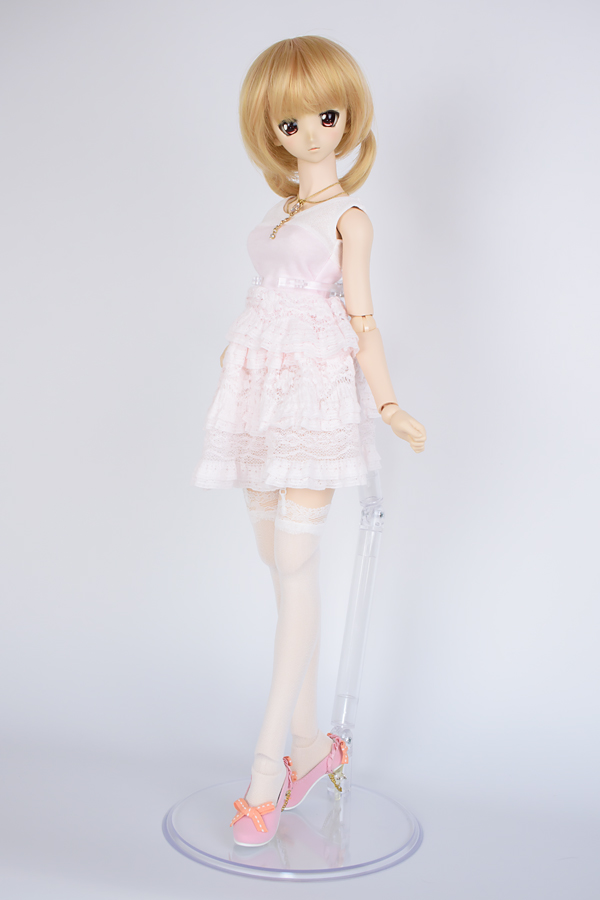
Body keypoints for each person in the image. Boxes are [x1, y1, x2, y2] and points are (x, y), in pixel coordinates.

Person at [194, 35, 426, 846]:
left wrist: (389, 403)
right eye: (291, 123)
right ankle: (311, 744)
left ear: (348, 117)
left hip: (316, 395)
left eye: (327, 116)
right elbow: (266, 297)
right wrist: (237, 363)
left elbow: (362, 320)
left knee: (293, 562)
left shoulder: (349, 219)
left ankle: (267, 773)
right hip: (262, 395)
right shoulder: (277, 212)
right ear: (271, 131)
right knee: (280, 565)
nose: (314, 134)